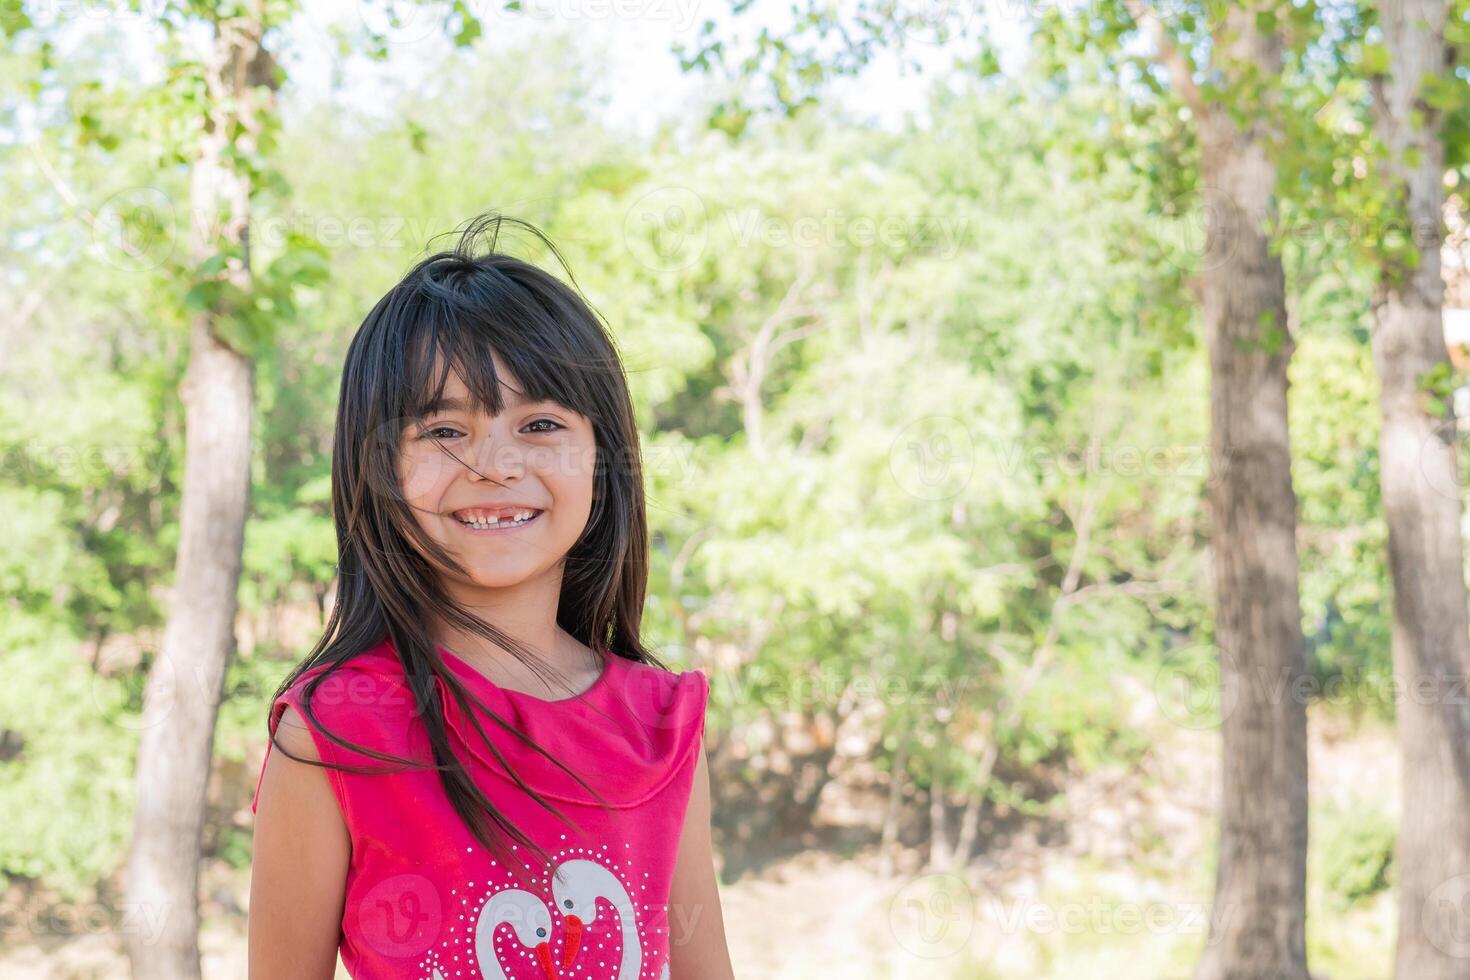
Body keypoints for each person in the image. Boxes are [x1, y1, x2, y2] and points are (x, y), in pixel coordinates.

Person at [248, 213, 735, 980]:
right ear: (379, 467)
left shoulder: (661, 726)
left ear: (603, 459)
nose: (496, 464)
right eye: (444, 430)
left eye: (540, 423)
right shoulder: (332, 734)